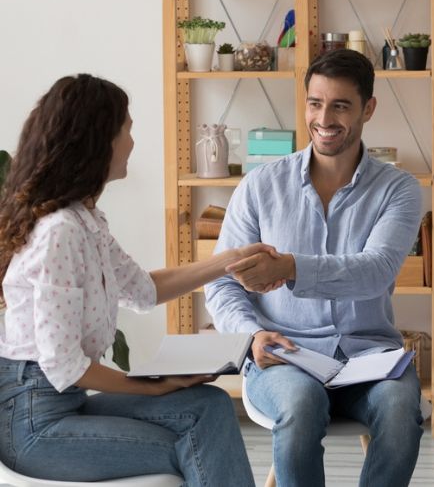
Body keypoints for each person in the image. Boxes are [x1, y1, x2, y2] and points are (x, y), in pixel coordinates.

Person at [0, 74, 262, 485]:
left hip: (63, 404)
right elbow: (64, 365)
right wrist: (152, 387)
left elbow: (143, 290)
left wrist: (228, 260)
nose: (132, 142)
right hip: (33, 424)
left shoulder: (86, 222)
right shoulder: (61, 231)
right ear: (96, 142)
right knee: (191, 441)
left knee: (208, 407)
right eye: (127, 129)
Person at [204, 48, 424, 487]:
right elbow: (223, 287)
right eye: (315, 103)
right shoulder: (260, 186)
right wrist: (252, 336)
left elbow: (376, 270)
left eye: (341, 105)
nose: (324, 118)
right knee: (301, 404)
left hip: (369, 357)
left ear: (369, 109)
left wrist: (290, 267)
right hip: (284, 356)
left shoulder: (399, 189)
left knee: (401, 411)